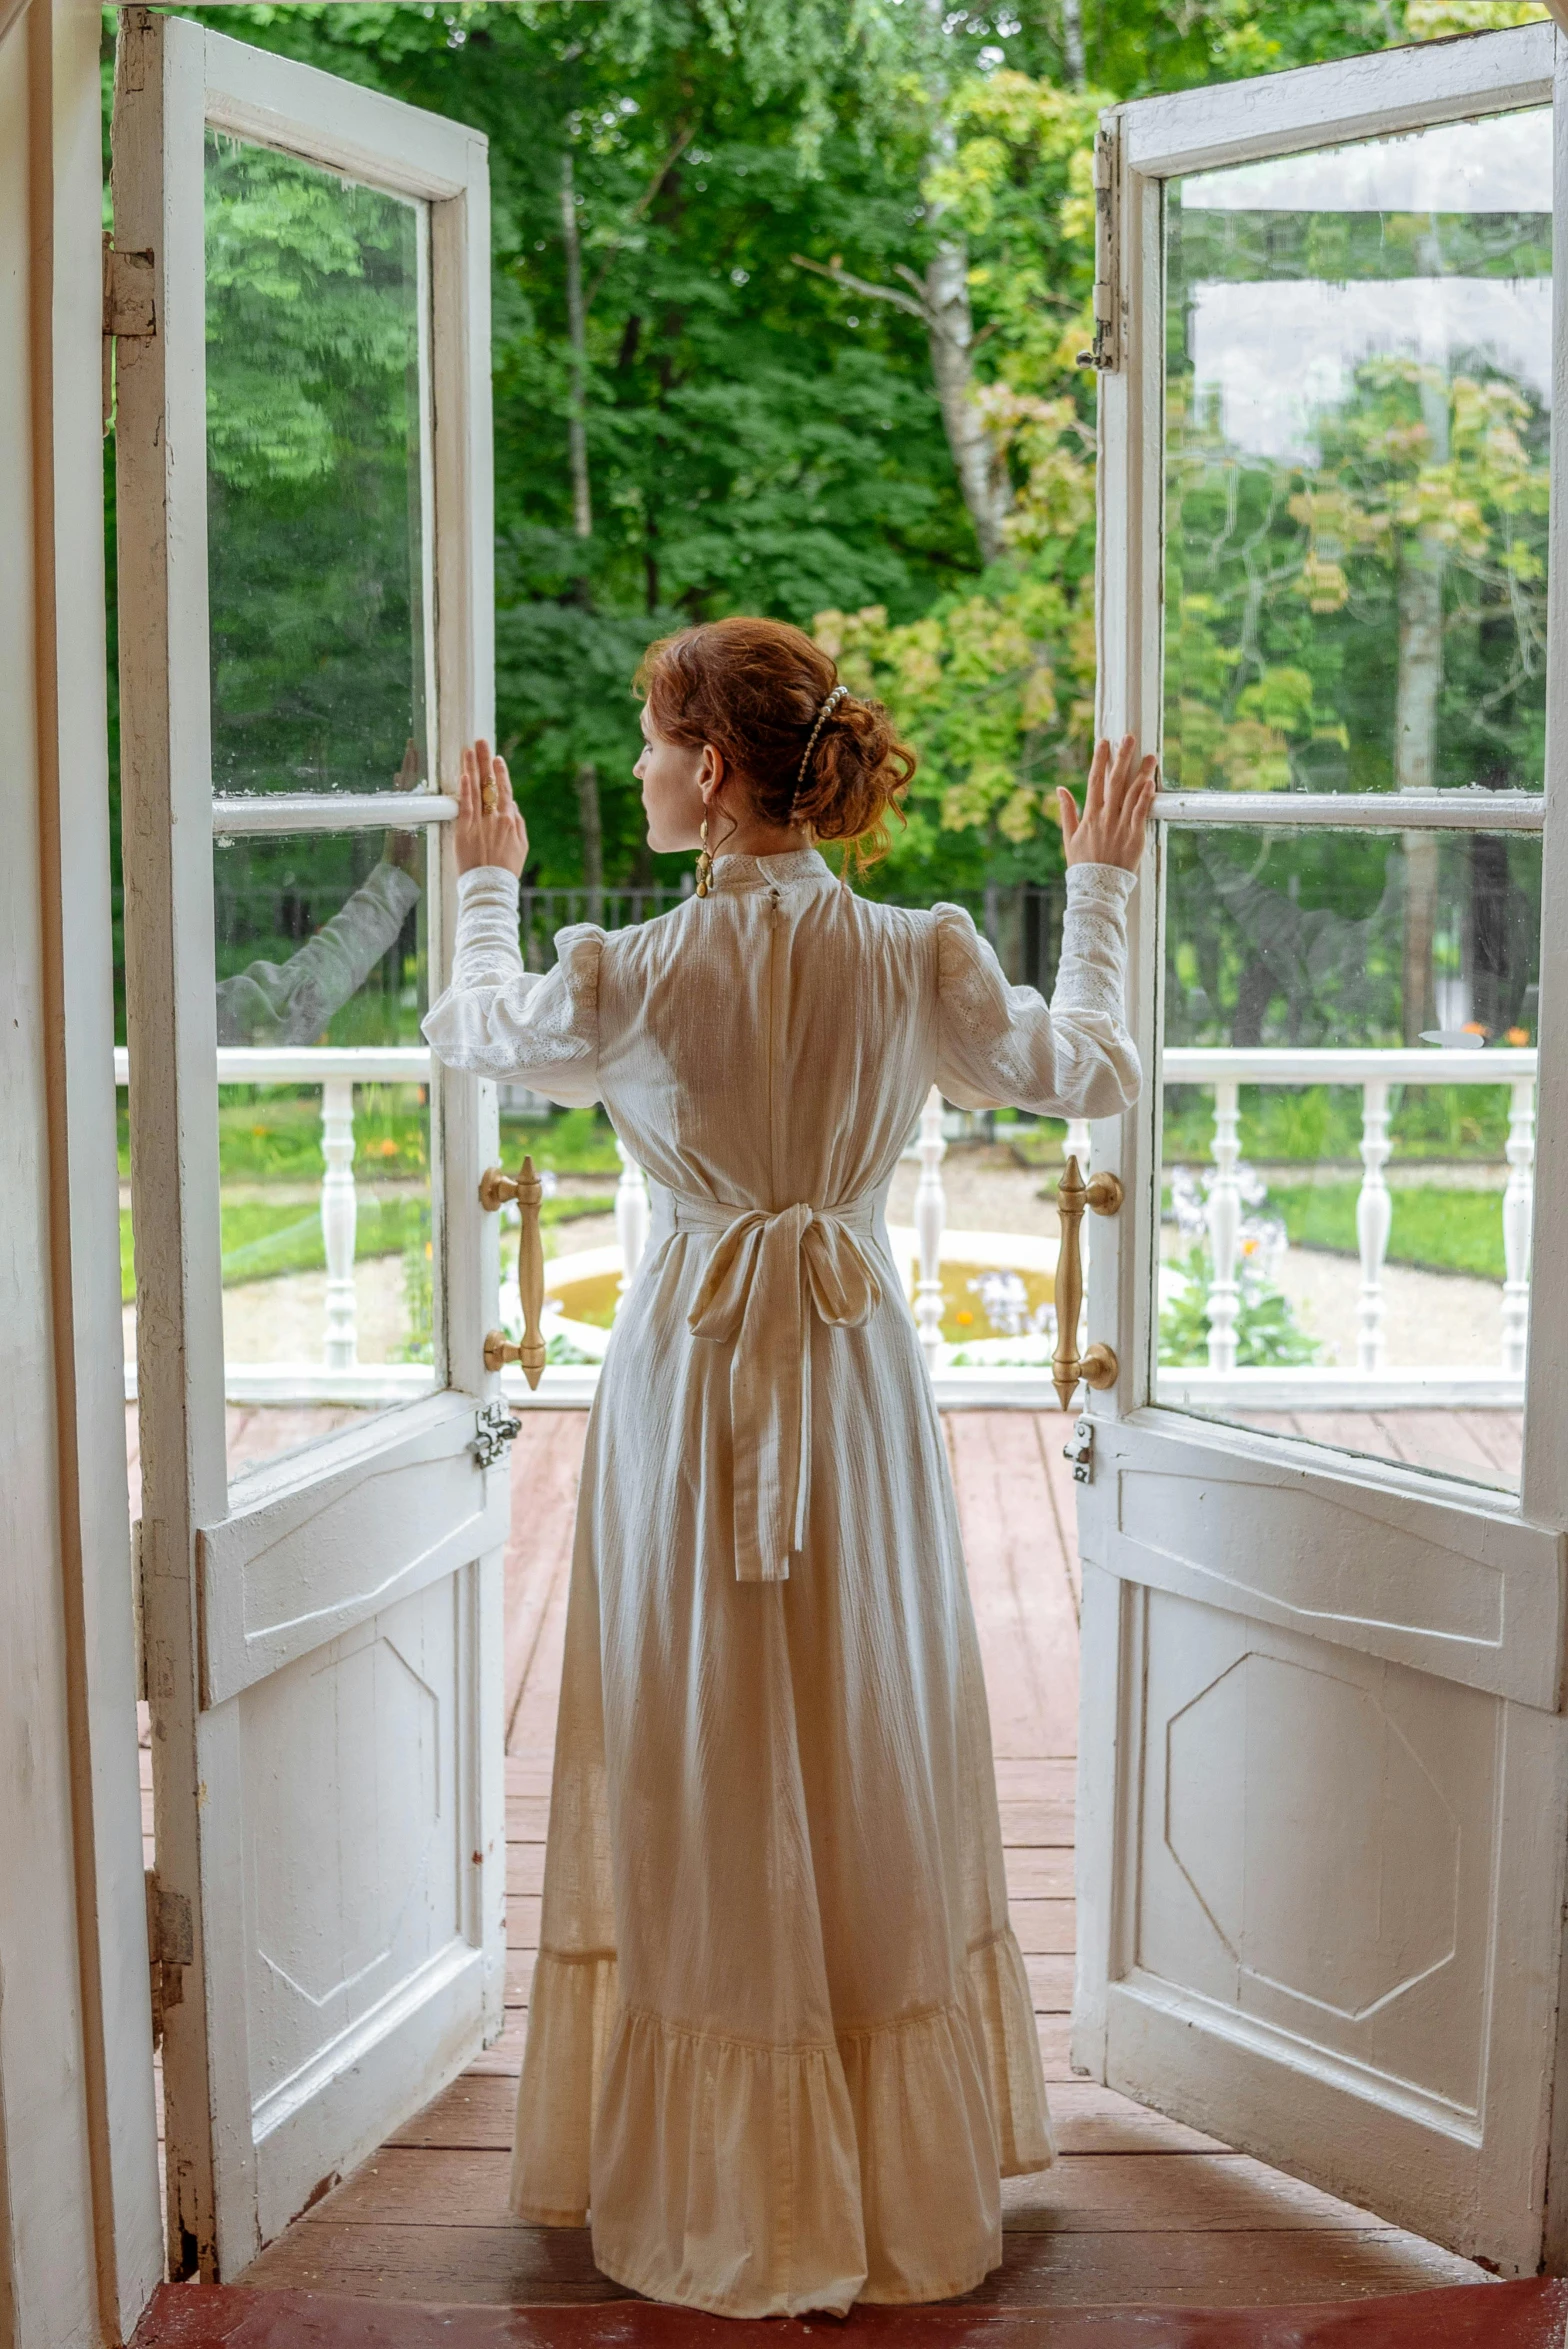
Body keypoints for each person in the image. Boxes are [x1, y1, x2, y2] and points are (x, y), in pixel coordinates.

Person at [422, 617, 1155, 2319]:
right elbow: (1092, 1077)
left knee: (700, 1729)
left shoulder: (622, 973)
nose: (634, 769)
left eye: (651, 742)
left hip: (691, 1375)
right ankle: (885, 2173)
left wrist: (485, 878)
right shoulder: (920, 954)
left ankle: (729, 2177)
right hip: (848, 1368)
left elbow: (476, 1033)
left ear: (717, 768)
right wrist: (1101, 890)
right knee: (867, 1711)